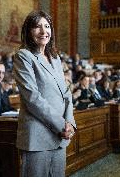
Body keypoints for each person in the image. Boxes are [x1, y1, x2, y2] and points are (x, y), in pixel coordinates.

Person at [13, 11, 76, 177]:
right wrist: (61, 125)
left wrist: (70, 122)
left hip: (60, 137)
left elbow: (66, 93)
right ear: (28, 31)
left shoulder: (55, 58)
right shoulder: (24, 56)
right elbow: (32, 98)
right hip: (37, 137)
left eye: (47, 26)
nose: (43, 31)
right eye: (37, 26)